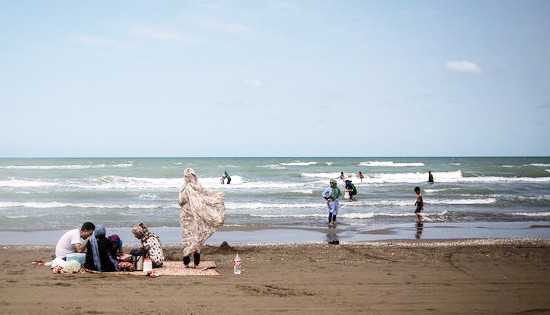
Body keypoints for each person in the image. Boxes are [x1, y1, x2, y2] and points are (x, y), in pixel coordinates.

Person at [178, 168, 226, 268]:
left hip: (186, 216)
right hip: (197, 216)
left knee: (187, 237)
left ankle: (186, 263)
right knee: (197, 236)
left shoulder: (184, 188)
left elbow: (180, 201)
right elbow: (205, 195)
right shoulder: (197, 186)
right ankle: (196, 263)